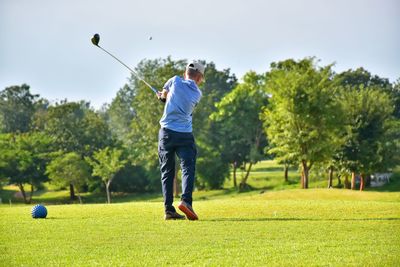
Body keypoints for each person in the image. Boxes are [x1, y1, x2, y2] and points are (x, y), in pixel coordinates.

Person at [157, 61, 205, 220]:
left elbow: (164, 96)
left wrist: (162, 97)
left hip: (166, 134)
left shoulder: (174, 80)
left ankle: (168, 209)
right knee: (187, 168)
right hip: (184, 135)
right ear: (198, 77)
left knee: (167, 171)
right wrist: (166, 97)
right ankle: (186, 201)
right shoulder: (197, 93)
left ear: (186, 73)